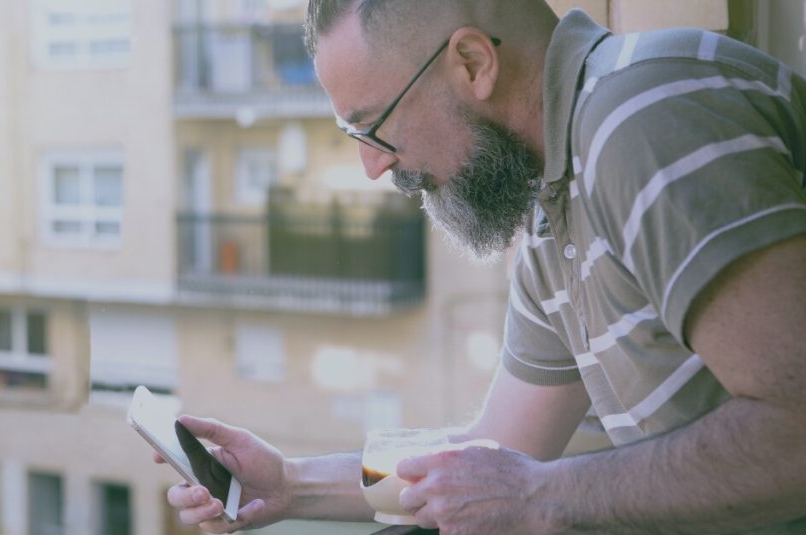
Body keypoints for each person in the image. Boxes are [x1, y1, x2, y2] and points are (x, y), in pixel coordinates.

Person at [160, 1, 806, 533]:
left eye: (373, 127)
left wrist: (541, 495)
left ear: (473, 63)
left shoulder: (642, 123)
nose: (374, 166)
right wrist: (292, 482)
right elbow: (495, 452)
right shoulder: (557, 212)